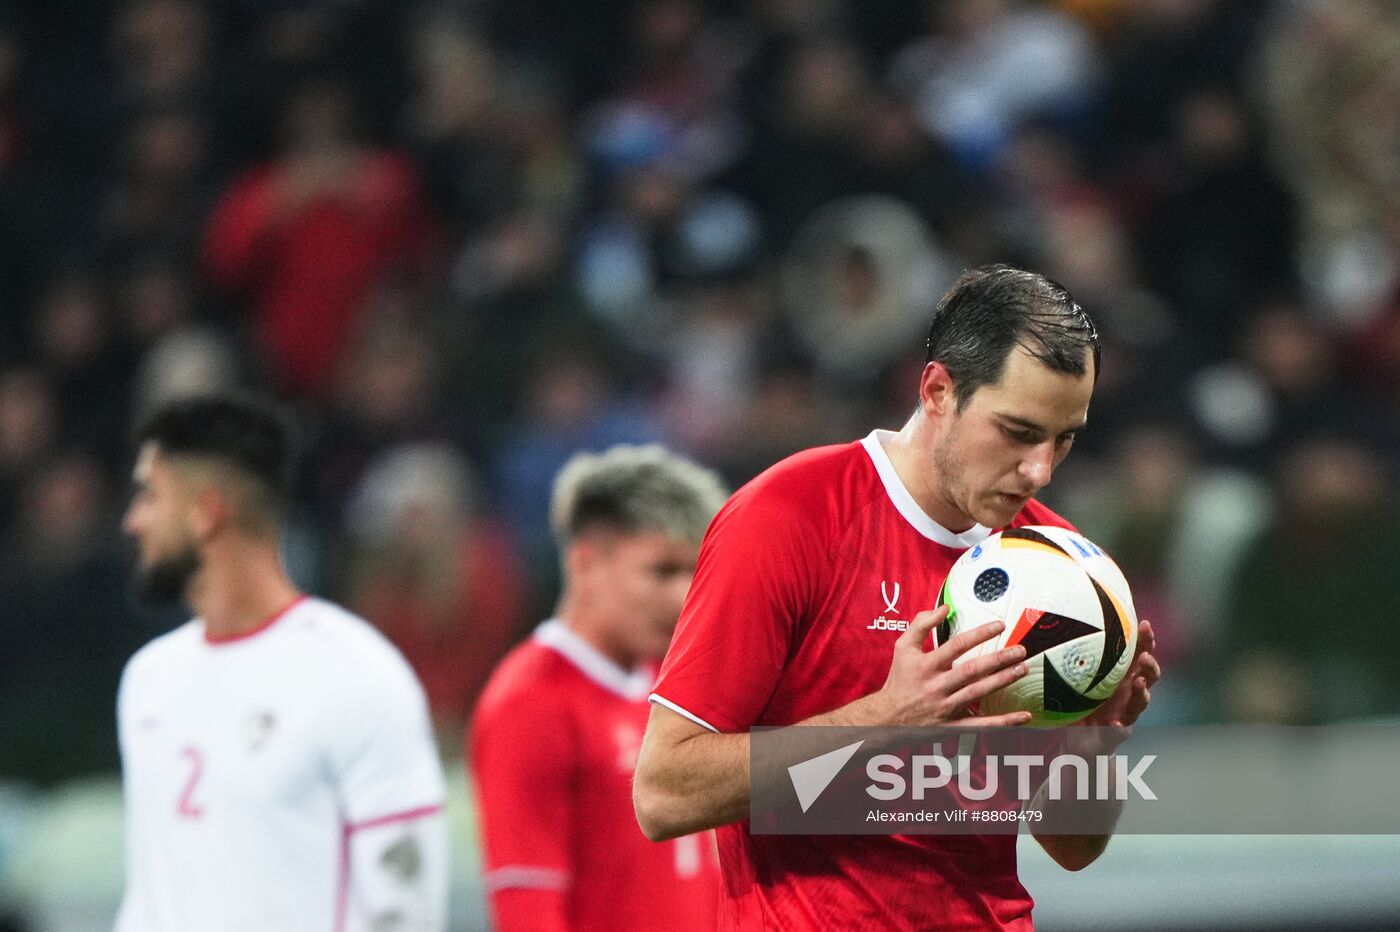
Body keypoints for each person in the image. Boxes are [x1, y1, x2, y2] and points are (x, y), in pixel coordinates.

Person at [634, 264, 1162, 929]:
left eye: (1066, 439)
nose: (1041, 471)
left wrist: (1094, 744)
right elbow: (665, 793)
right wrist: (884, 724)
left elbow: (1073, 847)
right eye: (1020, 433)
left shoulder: (1060, 566)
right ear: (939, 390)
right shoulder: (790, 517)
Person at [115, 394, 447, 932]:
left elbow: (405, 909)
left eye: (150, 495)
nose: (133, 521)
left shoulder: (358, 676)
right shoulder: (148, 681)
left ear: (208, 511)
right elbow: (151, 896)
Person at [471, 444, 729, 931]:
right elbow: (528, 907)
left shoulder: (681, 685)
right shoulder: (527, 702)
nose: (684, 595)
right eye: (662, 571)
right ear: (585, 565)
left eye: (694, 571)